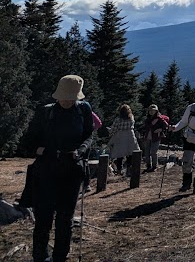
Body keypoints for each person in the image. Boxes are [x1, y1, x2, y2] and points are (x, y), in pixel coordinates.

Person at [21, 74, 95, 262]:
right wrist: (42, 151)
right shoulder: (45, 112)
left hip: (72, 171)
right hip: (46, 170)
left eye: (72, 97)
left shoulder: (84, 110)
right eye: (65, 96)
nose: (68, 101)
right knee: (43, 219)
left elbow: (88, 135)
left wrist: (82, 150)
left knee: (65, 219)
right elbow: (28, 140)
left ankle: (60, 257)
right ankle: (40, 257)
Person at [107, 104, 140, 177]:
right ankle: (129, 169)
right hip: (130, 135)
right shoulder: (131, 118)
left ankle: (119, 170)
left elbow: (113, 129)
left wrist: (110, 133)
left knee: (120, 154)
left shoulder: (118, 119)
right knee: (130, 153)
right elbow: (133, 126)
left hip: (121, 136)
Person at [140, 104, 170, 172]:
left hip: (156, 137)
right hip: (148, 137)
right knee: (147, 152)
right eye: (150, 110)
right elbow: (146, 126)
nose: (151, 112)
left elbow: (166, 126)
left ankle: (154, 166)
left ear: (156, 111)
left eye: (153, 110)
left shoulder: (160, 119)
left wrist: (161, 130)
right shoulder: (148, 119)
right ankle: (148, 165)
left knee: (153, 152)